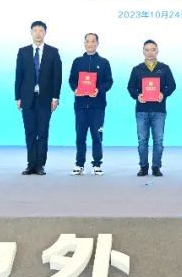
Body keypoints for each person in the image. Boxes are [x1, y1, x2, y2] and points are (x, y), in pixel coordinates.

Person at [14, 20, 62, 175]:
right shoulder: (23, 52)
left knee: (42, 132)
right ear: (31, 32)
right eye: (35, 30)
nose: (38, 33)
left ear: (45, 33)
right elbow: (19, 75)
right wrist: (17, 97)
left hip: (45, 99)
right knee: (30, 132)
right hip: (27, 98)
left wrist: (55, 97)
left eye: (41, 30)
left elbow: (57, 77)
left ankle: (40, 165)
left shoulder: (53, 52)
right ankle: (31, 164)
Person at [126, 39, 176, 177]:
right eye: (147, 50)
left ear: (157, 51)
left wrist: (163, 94)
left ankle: (156, 167)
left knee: (158, 141)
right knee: (142, 141)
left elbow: (172, 85)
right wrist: (137, 95)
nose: (150, 52)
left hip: (159, 110)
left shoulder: (164, 68)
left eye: (153, 49)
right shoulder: (137, 69)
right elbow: (130, 87)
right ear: (143, 51)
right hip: (141, 110)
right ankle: (143, 167)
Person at [68, 32, 113, 176]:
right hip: (81, 106)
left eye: (93, 41)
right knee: (80, 136)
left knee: (97, 136)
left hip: (97, 106)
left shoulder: (104, 62)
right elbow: (72, 80)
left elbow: (109, 81)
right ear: (84, 43)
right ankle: (79, 164)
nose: (90, 44)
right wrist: (75, 89)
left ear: (97, 43)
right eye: (87, 41)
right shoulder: (77, 62)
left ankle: (97, 164)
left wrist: (98, 90)